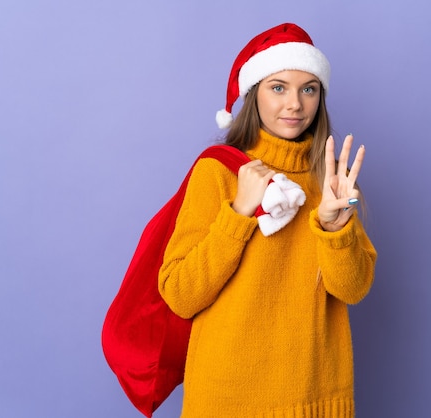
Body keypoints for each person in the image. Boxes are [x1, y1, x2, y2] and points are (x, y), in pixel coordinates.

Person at [158, 22, 377, 417]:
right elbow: (180, 294)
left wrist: (334, 228)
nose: (294, 104)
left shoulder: (328, 181)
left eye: (308, 89)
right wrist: (239, 213)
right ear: (253, 93)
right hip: (226, 399)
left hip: (313, 396)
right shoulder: (218, 172)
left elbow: (353, 289)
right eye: (278, 87)